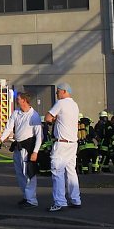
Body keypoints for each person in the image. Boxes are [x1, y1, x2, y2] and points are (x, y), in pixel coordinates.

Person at [0, 91, 43, 209]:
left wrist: (35, 152)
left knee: (28, 173)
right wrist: (0, 140)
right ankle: (26, 196)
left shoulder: (34, 116)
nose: (16, 100)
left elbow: (39, 136)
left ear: (24, 100)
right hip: (18, 147)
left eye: (18, 98)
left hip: (28, 148)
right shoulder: (16, 113)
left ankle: (32, 200)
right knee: (20, 174)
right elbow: (8, 128)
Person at [45, 82, 81, 212]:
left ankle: (60, 202)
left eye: (58, 91)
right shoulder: (75, 105)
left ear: (64, 91)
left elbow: (48, 117)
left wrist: (54, 120)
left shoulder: (60, 103)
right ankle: (75, 199)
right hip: (73, 142)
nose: (56, 94)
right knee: (71, 171)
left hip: (61, 143)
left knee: (57, 172)